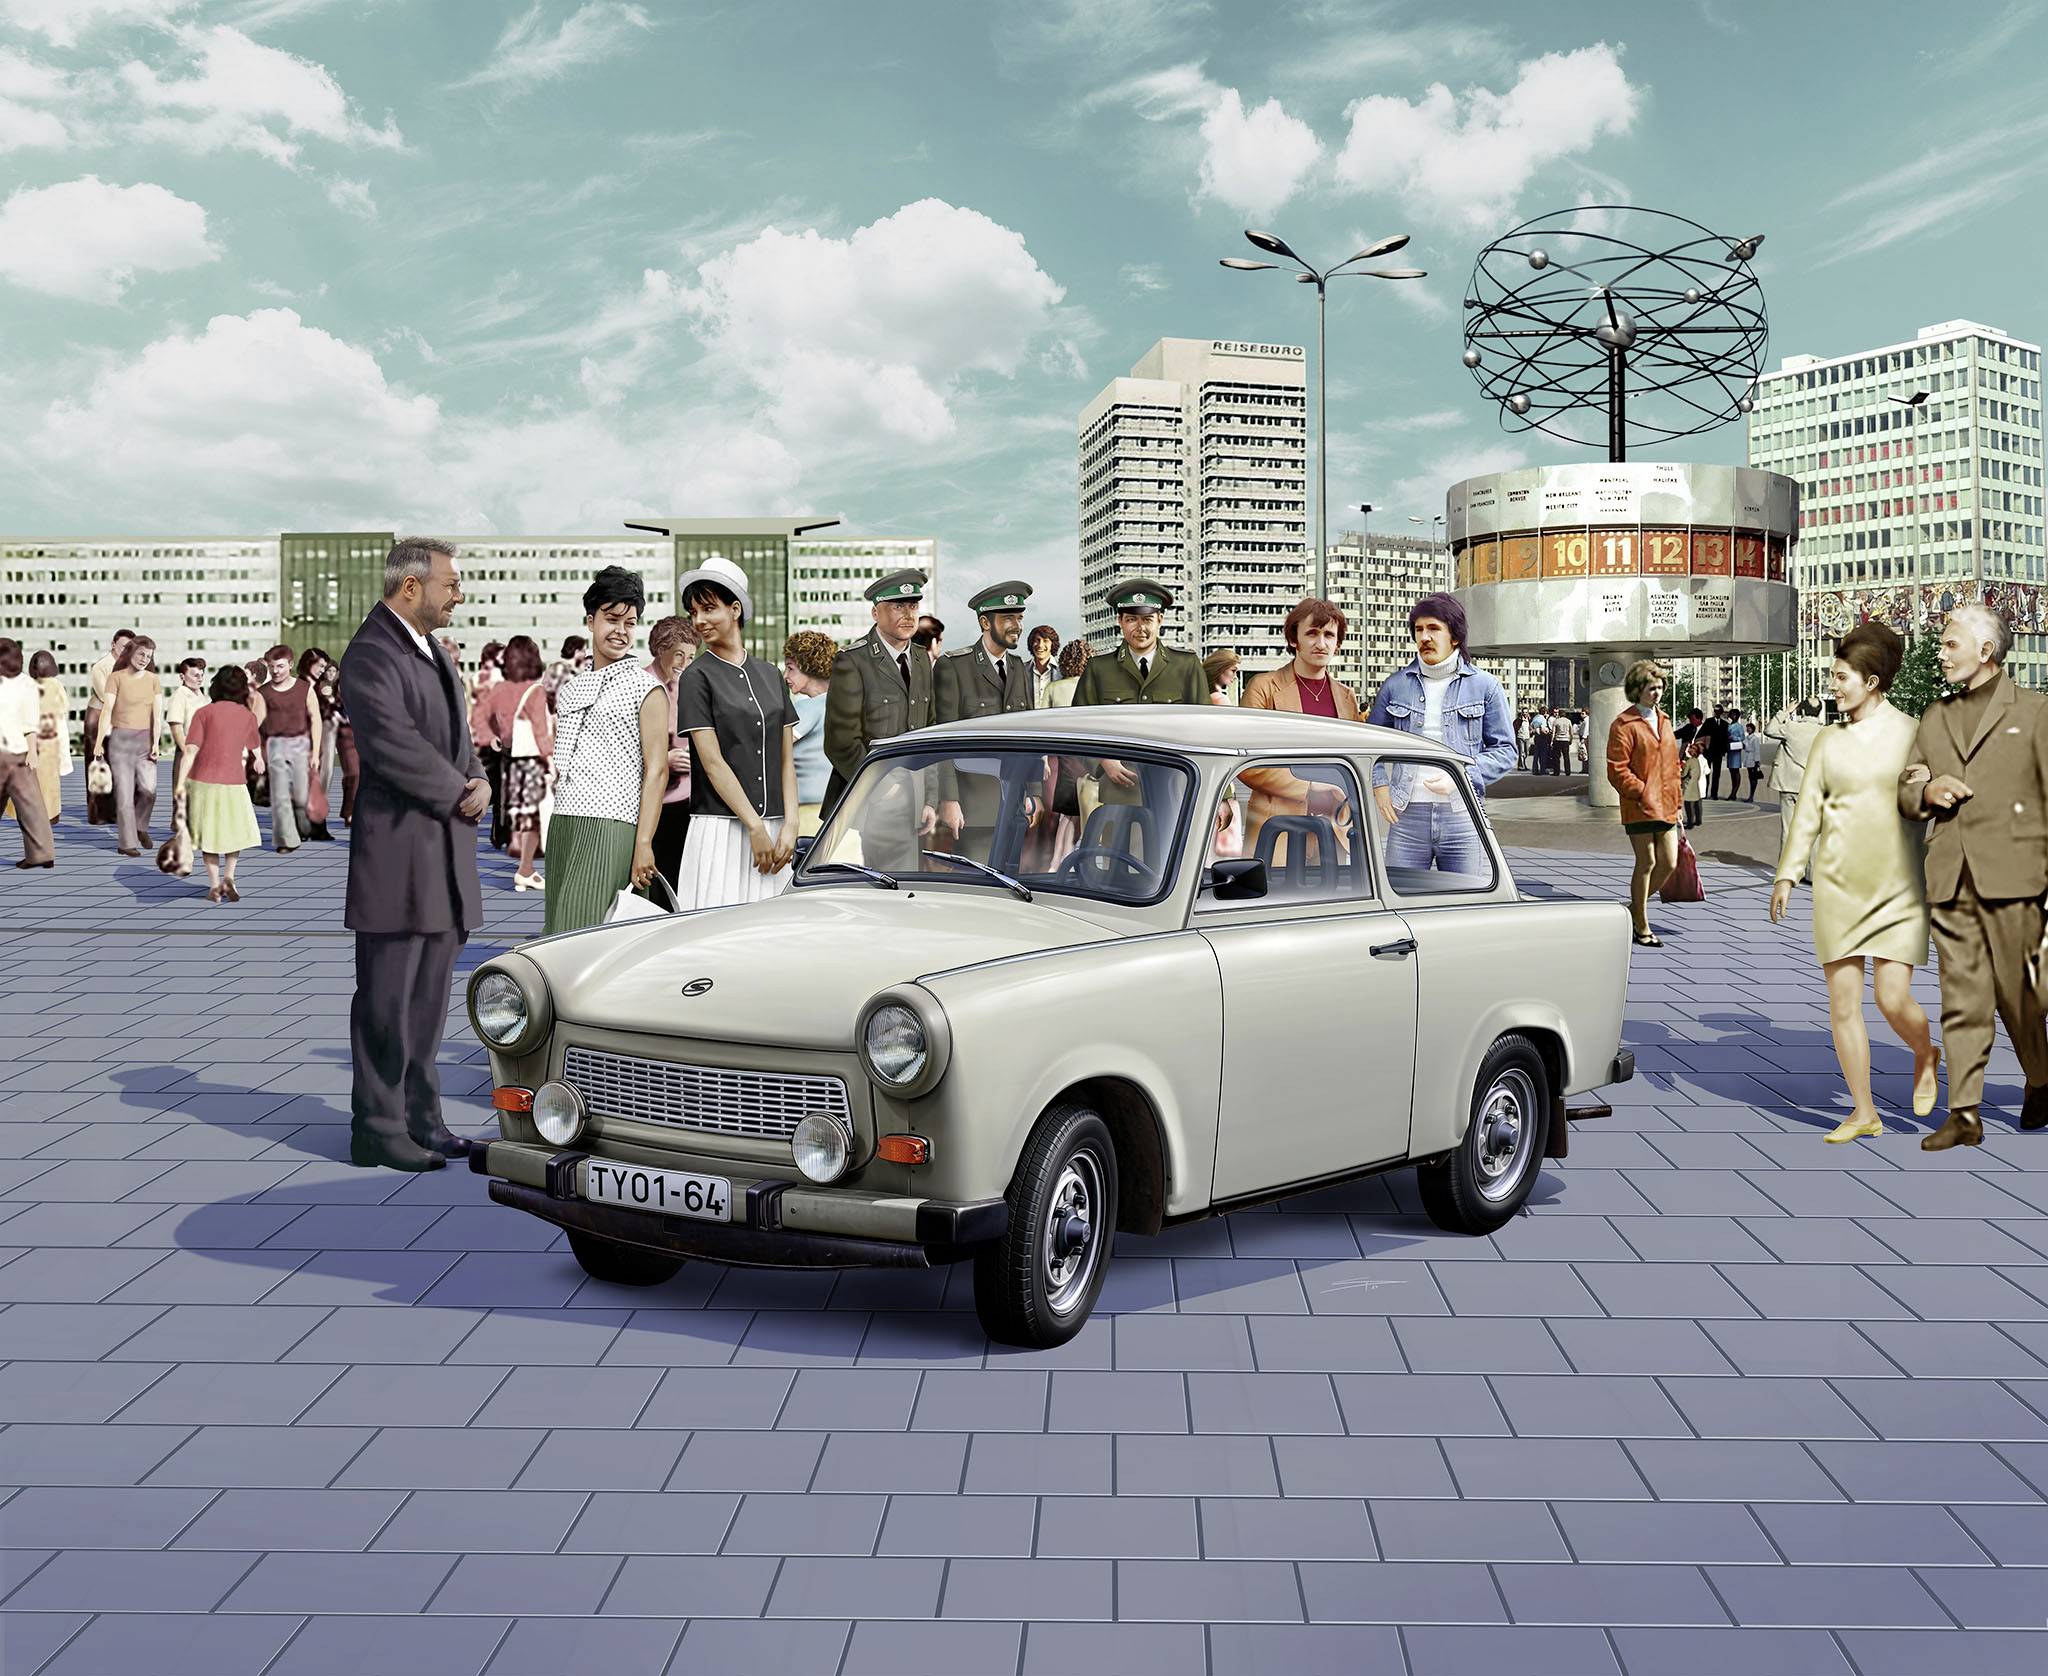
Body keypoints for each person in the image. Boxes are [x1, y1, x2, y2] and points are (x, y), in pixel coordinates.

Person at [339, 538, 490, 1172]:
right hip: (399, 858)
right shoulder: (371, 653)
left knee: (426, 1002)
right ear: (411, 587)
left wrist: (479, 776)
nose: (458, 595)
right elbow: (393, 744)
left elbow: (457, 737)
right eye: (450, 584)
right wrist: (459, 791)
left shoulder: (434, 650)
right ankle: (377, 1127)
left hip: (443, 859)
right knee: (386, 1002)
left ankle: (423, 1119)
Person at [1768, 622, 1936, 1144]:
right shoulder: (1827, 740)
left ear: (1872, 681)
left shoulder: (1914, 734)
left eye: (1841, 677)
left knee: (1891, 998)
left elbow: (1931, 803)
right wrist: (1788, 873)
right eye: (1833, 675)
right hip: (1837, 885)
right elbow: (1808, 813)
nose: (1832, 686)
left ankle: (1925, 1051)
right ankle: (1864, 1111)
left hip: (1897, 885)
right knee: (1842, 1005)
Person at [1899, 605, 2048, 1149]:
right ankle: (1964, 1113)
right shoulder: (1935, 715)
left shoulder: (2035, 712)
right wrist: (1926, 791)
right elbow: (1906, 788)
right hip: (1950, 875)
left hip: (2017, 879)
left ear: (1986, 651)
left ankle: (2041, 1077)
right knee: (1962, 996)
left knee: (2020, 996)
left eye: (1950, 644)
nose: (1940, 654)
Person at [544, 567, 666, 934]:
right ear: (590, 620)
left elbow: (657, 770)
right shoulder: (571, 689)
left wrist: (644, 842)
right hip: (564, 820)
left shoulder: (646, 688)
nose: (621, 631)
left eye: (630, 623)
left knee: (586, 932)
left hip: (612, 823)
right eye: (612, 619)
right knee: (557, 931)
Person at [675, 556, 798, 908]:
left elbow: (785, 760)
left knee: (771, 926)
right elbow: (712, 763)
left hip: (775, 830)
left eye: (708, 609)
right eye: (693, 612)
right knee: (716, 924)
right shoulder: (695, 677)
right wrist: (754, 826)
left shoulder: (771, 675)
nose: (699, 621)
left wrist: (791, 824)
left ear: (735, 609)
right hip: (720, 829)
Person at [1367, 591, 1516, 872]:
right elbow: (1369, 743)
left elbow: (1506, 751)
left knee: (1464, 897)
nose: (1424, 637)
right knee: (1404, 894)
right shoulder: (1395, 685)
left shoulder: (1486, 686)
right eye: (1419, 629)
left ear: (1455, 636)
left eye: (1434, 628)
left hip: (1464, 814)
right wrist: (1380, 786)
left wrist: (1461, 776)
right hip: (1407, 816)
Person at [822, 569, 935, 860]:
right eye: (898, 606)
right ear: (875, 613)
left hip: (915, 804)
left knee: (910, 882)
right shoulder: (853, 660)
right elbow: (840, 742)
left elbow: (930, 731)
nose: (908, 615)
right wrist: (883, 788)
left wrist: (930, 797)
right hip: (871, 804)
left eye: (913, 606)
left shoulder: (921, 658)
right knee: (879, 883)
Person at [933, 580, 1038, 850]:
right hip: (974, 808)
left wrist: (1035, 792)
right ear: (985, 622)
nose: (1017, 626)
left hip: (1016, 804)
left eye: (1019, 618)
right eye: (1008, 618)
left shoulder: (1018, 667)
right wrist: (949, 799)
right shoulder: (954, 667)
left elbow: (1030, 735)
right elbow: (943, 739)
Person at [1606, 659, 1683, 948]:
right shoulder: (1623, 724)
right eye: (1652, 688)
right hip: (1639, 805)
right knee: (1647, 861)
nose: (1657, 693)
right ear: (1637, 689)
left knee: (1670, 862)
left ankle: (1633, 908)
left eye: (1660, 687)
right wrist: (1643, 791)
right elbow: (1617, 769)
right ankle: (1642, 925)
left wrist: (1677, 801)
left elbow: (1671, 765)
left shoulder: (1665, 721)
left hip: (1666, 803)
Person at [176, 664, 264, 904]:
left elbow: (190, 751)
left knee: (209, 836)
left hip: (203, 781)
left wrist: (180, 784)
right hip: (234, 782)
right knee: (233, 833)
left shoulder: (204, 713)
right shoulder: (247, 716)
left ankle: (214, 885)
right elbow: (254, 744)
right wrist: (259, 760)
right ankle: (229, 877)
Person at [482, 634, 552, 891]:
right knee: (534, 815)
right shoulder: (536, 690)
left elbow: (483, 719)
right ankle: (525, 869)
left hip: (510, 759)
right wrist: (551, 758)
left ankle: (523, 865)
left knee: (519, 812)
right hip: (533, 760)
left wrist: (494, 737)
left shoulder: (499, 689)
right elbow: (541, 731)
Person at [1073, 577, 1205, 708]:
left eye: (1147, 619)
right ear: (1120, 621)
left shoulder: (1187, 666)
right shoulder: (1098, 669)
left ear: (1160, 620)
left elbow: (1204, 718)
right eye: (1131, 619)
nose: (1140, 627)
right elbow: (1081, 719)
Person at [92, 633, 162, 857]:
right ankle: (126, 843)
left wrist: (156, 742)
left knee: (149, 791)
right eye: (141, 654)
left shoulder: (153, 680)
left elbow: (157, 715)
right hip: (120, 741)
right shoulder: (116, 678)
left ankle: (140, 826)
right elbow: (107, 711)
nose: (144, 659)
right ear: (130, 652)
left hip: (145, 741)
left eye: (148, 656)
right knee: (124, 795)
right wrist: (99, 742)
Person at [1244, 598, 1360, 721]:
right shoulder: (1263, 688)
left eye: (1329, 635)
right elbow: (1249, 731)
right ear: (1293, 639)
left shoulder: (1347, 696)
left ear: (1337, 643)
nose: (1321, 645)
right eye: (1312, 633)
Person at [644, 616, 696, 886]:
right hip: (653, 805)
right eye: (679, 655)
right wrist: (665, 760)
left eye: (690, 657)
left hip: (686, 802)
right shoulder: (640, 686)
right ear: (660, 649)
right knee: (657, 881)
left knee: (681, 879)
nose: (684, 664)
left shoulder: (685, 688)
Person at [256, 642, 321, 851]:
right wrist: (256, 754)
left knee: (301, 796)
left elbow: (316, 719)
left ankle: (302, 822)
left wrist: (316, 753)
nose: (275, 671)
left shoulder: (305, 689)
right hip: (275, 745)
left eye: (280, 666)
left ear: (290, 665)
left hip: (301, 744)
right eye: (272, 667)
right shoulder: (263, 693)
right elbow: (254, 724)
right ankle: (287, 840)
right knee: (280, 796)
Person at [0, 639, 54, 870]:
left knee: (31, 807)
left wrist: (32, 751)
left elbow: (30, 722)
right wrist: (32, 750)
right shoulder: (27, 684)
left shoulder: (25, 684)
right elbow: (30, 723)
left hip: (15, 752)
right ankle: (42, 854)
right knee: (31, 806)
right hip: (18, 752)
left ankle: (42, 855)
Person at [782, 630, 836, 837]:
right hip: (837, 808)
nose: (785, 676)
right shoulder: (841, 704)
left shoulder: (807, 708)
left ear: (809, 666)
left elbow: (769, 749)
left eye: (790, 668)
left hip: (805, 813)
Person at [1765, 698, 1824, 867]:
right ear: (1819, 712)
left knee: (1788, 830)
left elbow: (1769, 729)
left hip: (1788, 784)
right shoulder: (1826, 732)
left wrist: (1786, 711)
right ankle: (1812, 872)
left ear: (1802, 711)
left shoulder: (1791, 728)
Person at [82, 629, 133, 825]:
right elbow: (106, 697)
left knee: (116, 766)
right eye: (123, 647)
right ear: (113, 645)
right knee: (97, 766)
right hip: (99, 718)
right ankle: (97, 813)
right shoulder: (101, 667)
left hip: (118, 720)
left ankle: (112, 811)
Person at [297, 648, 338, 840]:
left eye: (324, 666)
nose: (323, 669)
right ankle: (305, 827)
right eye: (320, 665)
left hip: (325, 737)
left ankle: (317, 825)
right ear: (308, 664)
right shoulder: (299, 686)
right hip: (306, 738)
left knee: (323, 780)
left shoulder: (321, 685)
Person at [29, 650, 69, 825]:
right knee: (51, 782)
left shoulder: (28, 685)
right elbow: (62, 712)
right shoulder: (56, 685)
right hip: (51, 739)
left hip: (34, 739)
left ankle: (35, 814)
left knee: (34, 780)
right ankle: (52, 814)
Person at [165, 657, 207, 798]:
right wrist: (188, 754)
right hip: (187, 752)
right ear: (182, 676)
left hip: (202, 753)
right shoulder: (180, 695)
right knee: (182, 798)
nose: (200, 679)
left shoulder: (201, 695)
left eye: (201, 675)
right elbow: (176, 728)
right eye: (195, 675)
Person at [544, 635, 587, 713]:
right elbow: (549, 691)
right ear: (577, 651)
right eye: (583, 651)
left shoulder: (577, 669)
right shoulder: (559, 668)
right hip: (559, 712)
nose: (585, 654)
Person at [1027, 625, 1061, 708]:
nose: (1040, 645)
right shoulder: (1020, 670)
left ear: (1052, 644)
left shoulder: (1062, 671)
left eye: (1045, 641)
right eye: (1037, 640)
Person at [1702, 705, 1732, 799]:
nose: (1717, 712)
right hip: (1708, 751)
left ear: (1722, 712)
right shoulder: (1708, 721)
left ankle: (1714, 793)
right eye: (1715, 711)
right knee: (1706, 772)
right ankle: (1704, 792)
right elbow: (1703, 734)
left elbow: (1725, 738)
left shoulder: (1725, 724)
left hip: (1718, 752)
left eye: (1719, 711)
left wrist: (1725, 750)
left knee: (1716, 773)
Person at [1682, 737, 1706, 831]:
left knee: (1688, 805)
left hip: (1688, 785)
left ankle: (1690, 823)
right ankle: (1698, 820)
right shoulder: (1696, 761)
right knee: (1696, 804)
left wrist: (1680, 772)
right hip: (1695, 784)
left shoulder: (1689, 761)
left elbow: (1684, 774)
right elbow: (1699, 773)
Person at [1726, 710, 1748, 800]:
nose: (1733, 716)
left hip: (1736, 749)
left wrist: (1734, 737)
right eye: (1732, 714)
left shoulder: (1739, 727)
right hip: (1730, 750)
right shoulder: (1729, 725)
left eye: (1735, 715)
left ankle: (1734, 792)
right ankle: (1733, 791)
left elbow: (1742, 738)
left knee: (1736, 771)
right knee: (1731, 770)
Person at [1742, 715, 1764, 801]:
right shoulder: (1747, 738)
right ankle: (1751, 795)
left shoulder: (1755, 739)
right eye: (1747, 728)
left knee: (1753, 777)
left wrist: (1757, 761)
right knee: (1750, 776)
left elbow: (1757, 750)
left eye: (1749, 728)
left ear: (1753, 729)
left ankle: (1752, 795)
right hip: (1748, 758)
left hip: (1753, 759)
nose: (1748, 729)